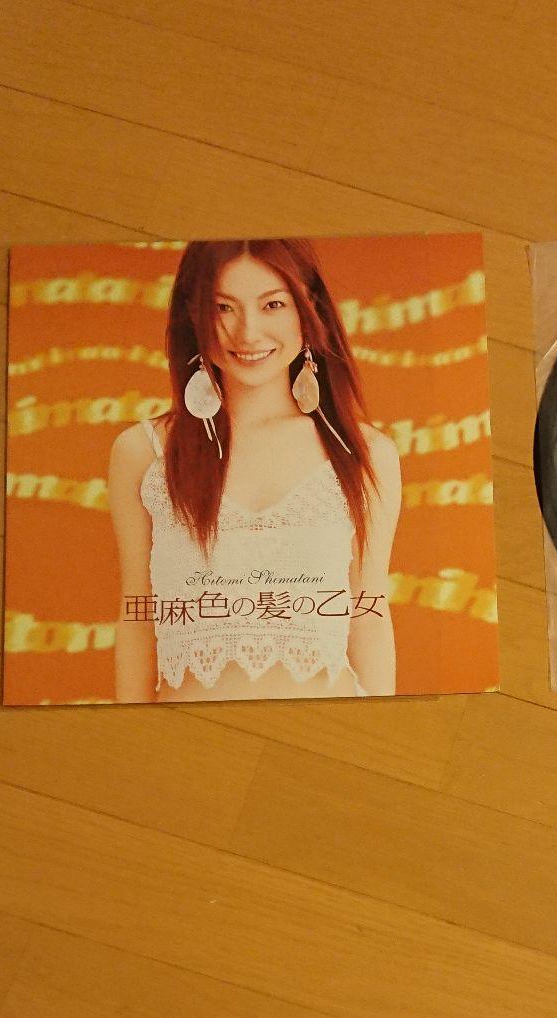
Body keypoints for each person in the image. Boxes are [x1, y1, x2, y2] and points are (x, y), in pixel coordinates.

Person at [108, 238, 401, 702]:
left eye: (273, 305)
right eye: (223, 307)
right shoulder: (144, 452)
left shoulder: (365, 453)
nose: (247, 332)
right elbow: (138, 614)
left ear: (310, 311)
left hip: (327, 720)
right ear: (192, 315)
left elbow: (369, 615)